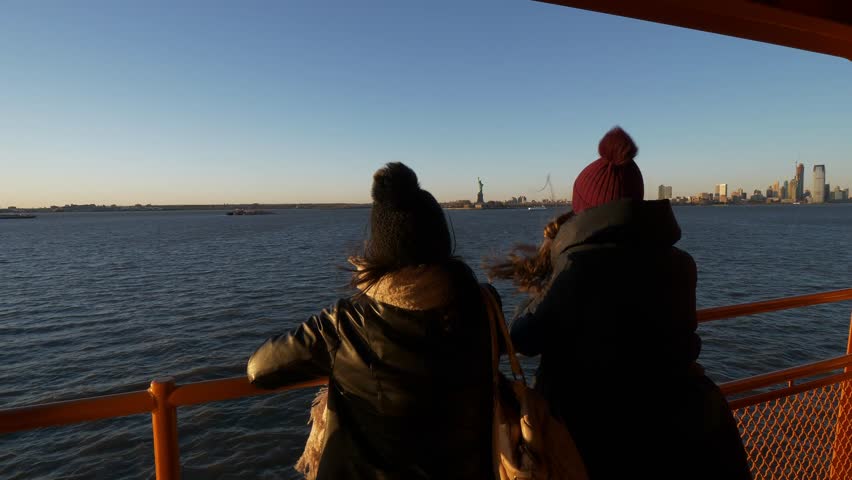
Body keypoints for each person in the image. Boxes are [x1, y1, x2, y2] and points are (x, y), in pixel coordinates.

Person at [487, 127, 751, 479]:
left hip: (598, 438)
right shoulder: (680, 263)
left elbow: (524, 336)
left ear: (583, 210)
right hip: (688, 427)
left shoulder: (579, 269)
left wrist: (551, 272)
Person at [247, 162, 494, 480]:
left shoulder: (344, 325)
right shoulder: (482, 308)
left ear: (379, 249)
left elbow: (259, 369)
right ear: (442, 242)